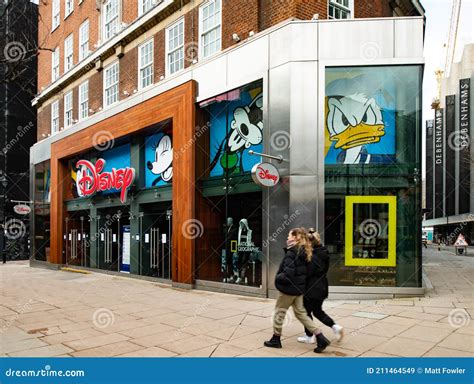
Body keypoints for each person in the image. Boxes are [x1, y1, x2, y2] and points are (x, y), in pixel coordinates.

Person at [264, 228, 331, 353]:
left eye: (289, 236)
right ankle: (320, 336)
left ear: (295, 238)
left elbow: (288, 273)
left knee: (279, 313)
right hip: (299, 290)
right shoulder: (304, 251)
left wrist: (278, 277)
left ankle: (276, 339)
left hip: (288, 290)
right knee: (301, 314)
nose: (287, 238)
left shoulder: (292, 253)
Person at [296, 229, 343, 346]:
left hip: (311, 288)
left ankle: (309, 336)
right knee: (317, 311)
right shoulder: (324, 253)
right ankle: (335, 327)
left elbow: (307, 273)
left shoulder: (311, 255)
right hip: (322, 286)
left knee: (306, 312)